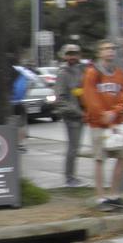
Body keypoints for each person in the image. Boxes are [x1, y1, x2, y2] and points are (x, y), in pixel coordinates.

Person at [81, 43, 123, 209]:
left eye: (112, 49)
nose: (110, 51)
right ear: (99, 52)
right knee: (99, 158)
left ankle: (115, 195)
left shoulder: (120, 74)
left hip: (117, 123)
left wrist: (115, 112)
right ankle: (101, 198)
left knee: (122, 156)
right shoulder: (92, 73)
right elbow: (90, 98)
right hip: (98, 123)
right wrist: (103, 114)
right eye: (106, 49)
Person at [52, 44, 87, 187]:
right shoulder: (63, 73)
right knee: (73, 148)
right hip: (72, 117)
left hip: (82, 115)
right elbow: (60, 99)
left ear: (79, 55)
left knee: (76, 147)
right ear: (65, 56)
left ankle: (72, 176)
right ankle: (69, 178)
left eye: (75, 54)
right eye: (69, 54)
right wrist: (78, 112)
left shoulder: (82, 70)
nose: (72, 56)